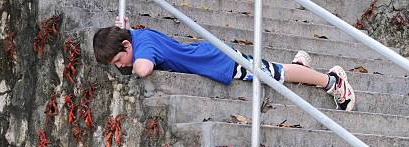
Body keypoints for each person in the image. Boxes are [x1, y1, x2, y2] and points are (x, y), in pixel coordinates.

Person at [93, 17, 355, 111]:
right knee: (270, 70)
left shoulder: (143, 46)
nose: (121, 66)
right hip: (209, 57)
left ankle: (332, 82)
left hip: (219, 62)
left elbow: (143, 68)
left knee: (276, 74)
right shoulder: (137, 39)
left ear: (127, 46)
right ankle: (303, 68)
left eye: (119, 60)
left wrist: (134, 58)